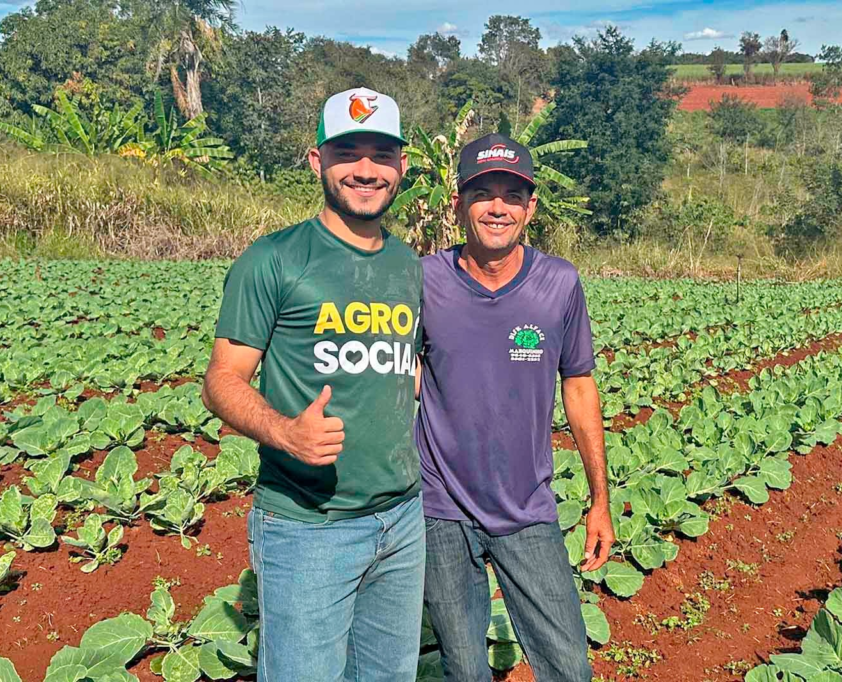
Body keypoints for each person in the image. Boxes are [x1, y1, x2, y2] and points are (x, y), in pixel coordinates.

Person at [202, 87, 425, 682]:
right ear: (316, 160)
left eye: (381, 153)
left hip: (403, 518)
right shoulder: (273, 259)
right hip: (307, 525)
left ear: (401, 166)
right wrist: (284, 432)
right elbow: (222, 380)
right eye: (347, 151)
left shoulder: (409, 266)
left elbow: (411, 368)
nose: (365, 169)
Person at [416, 133, 613, 681]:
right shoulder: (424, 281)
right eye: (482, 193)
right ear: (457, 204)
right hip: (441, 509)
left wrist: (600, 501)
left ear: (530, 208)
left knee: (569, 664)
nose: (496, 207)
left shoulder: (559, 283)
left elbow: (578, 386)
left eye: (510, 195)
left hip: (526, 506)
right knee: (464, 667)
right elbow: (399, 378)